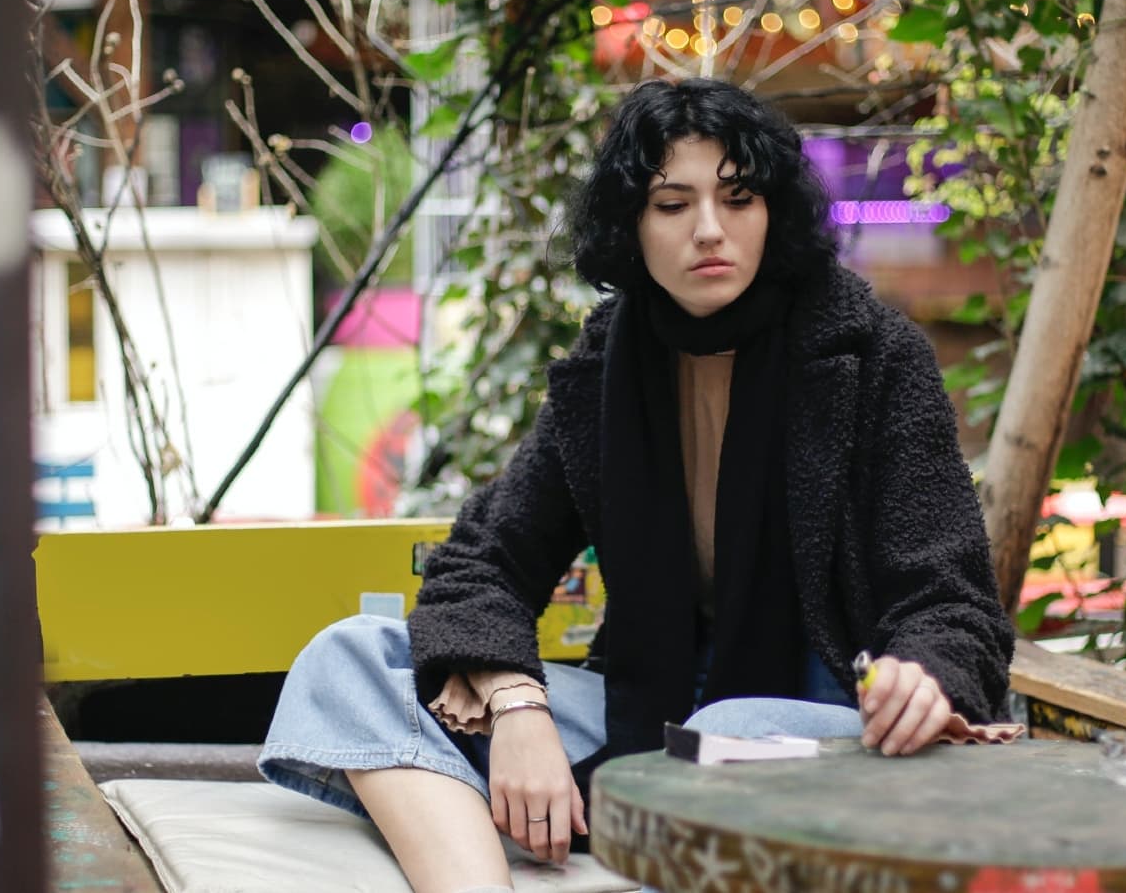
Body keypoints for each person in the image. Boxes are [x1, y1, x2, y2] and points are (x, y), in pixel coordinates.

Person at [258, 78, 1015, 893]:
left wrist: (922, 674)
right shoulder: (607, 369)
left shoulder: (870, 356)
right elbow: (482, 563)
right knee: (348, 658)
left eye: (739, 198)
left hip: (826, 728)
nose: (710, 231)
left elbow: (952, 603)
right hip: (650, 719)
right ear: (632, 226)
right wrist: (517, 708)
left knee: (726, 734)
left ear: (775, 212)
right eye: (671, 204)